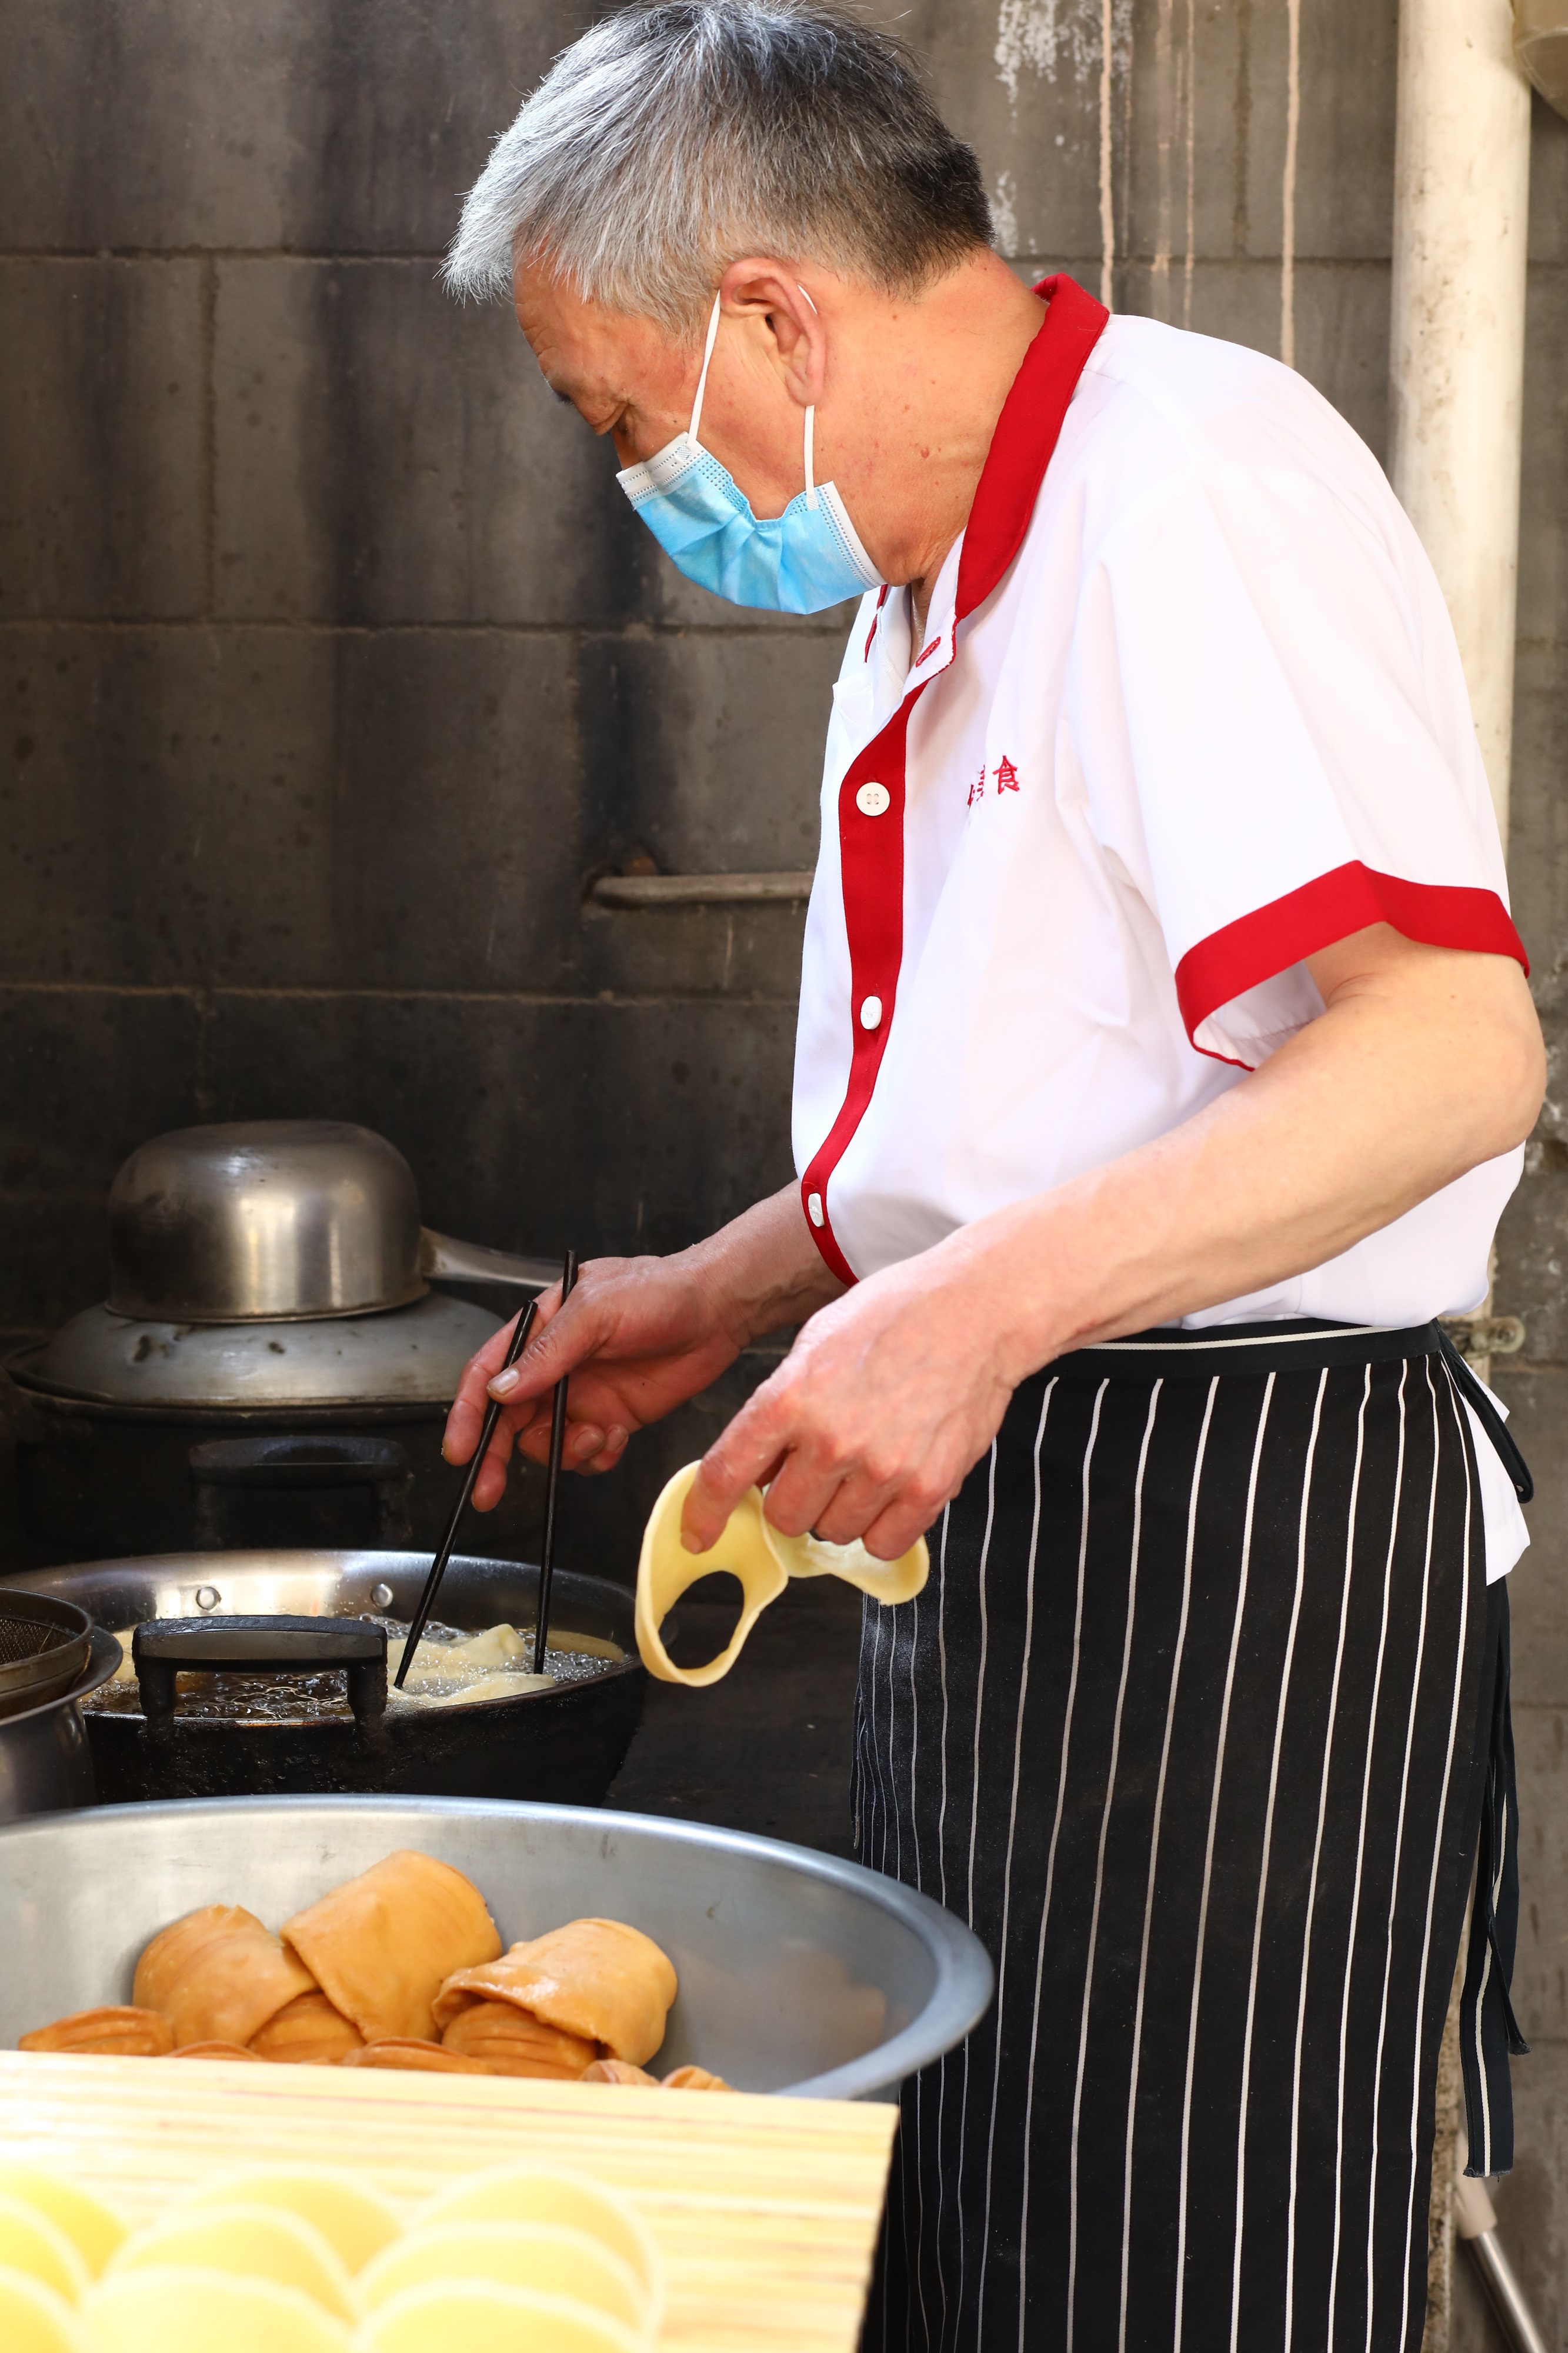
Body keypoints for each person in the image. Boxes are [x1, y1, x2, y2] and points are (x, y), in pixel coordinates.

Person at [439, 5, 1544, 2346]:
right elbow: (1018, 1107)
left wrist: (969, 1316)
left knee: (1175, 2266)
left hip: (1223, 1541)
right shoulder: (926, 583)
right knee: (989, 2216)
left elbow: (1444, 1054)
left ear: (770, 312)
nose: (631, 476)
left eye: (618, 417)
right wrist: (735, 1286)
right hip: (1006, 1516)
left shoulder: (1182, 494)